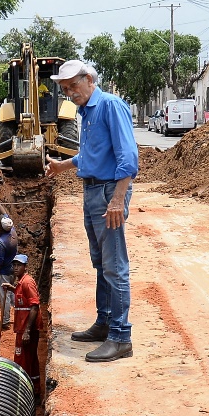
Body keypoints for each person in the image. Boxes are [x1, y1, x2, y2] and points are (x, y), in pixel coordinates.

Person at [45, 60, 138, 363]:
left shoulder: (110, 105)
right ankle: (104, 322)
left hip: (109, 192)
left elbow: (128, 156)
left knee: (115, 266)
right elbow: (91, 154)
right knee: (100, 262)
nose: (70, 93)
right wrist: (63, 165)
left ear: (89, 79)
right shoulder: (86, 113)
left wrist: (118, 200)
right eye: (65, 90)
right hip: (92, 191)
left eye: (73, 86)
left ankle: (121, 337)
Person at [2, 254, 40, 394]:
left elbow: (34, 306)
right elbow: (22, 297)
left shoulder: (27, 283)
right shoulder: (21, 282)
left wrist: (27, 331)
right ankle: (35, 390)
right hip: (23, 328)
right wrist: (12, 288)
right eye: (14, 265)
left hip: (25, 330)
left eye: (19, 265)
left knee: (21, 361)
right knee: (31, 360)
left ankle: (20, 393)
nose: (16, 268)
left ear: (25, 266)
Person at [0, 205, 17, 330]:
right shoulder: (12, 231)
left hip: (4, 272)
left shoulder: (1, 242)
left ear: (1, 227)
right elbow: (5, 213)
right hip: (13, 269)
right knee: (11, 293)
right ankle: (18, 314)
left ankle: (5, 321)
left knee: (4, 296)